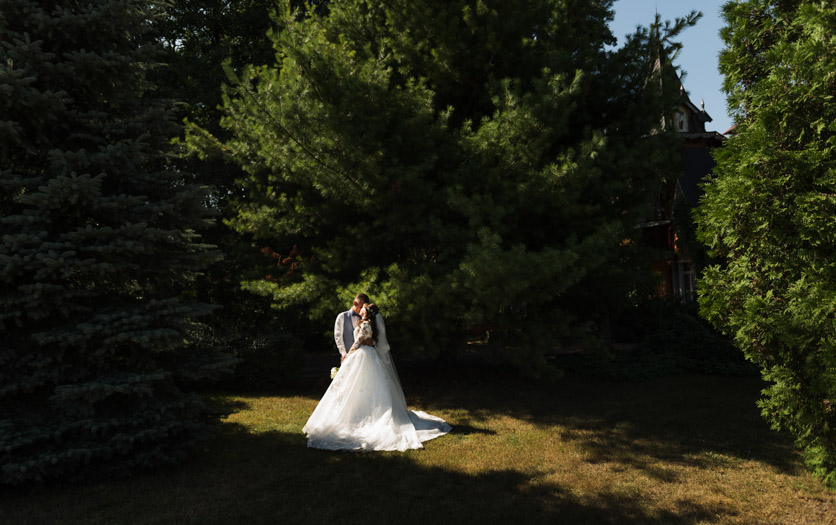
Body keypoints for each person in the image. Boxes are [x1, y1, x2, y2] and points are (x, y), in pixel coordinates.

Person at [303, 297, 451, 451]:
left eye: (364, 309)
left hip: (362, 355)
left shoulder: (366, 323)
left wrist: (349, 355)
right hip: (368, 355)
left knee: (360, 384)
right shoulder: (365, 323)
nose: (361, 309)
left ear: (366, 312)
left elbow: (359, 341)